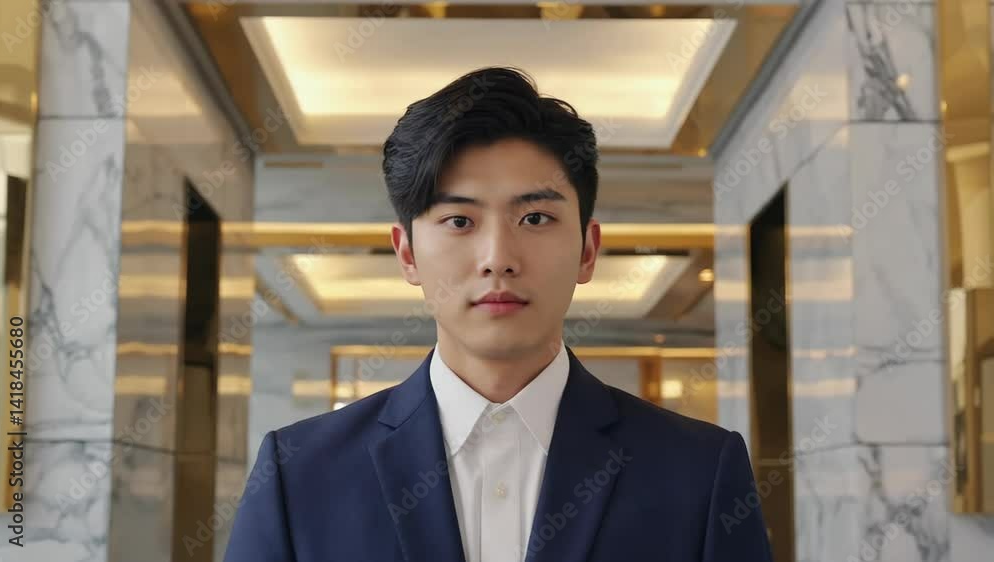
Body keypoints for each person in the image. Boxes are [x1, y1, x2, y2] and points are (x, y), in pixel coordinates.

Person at [223, 66, 774, 562]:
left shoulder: (698, 470)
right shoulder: (299, 472)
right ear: (407, 254)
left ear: (587, 251)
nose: (498, 258)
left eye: (535, 219)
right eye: (460, 222)